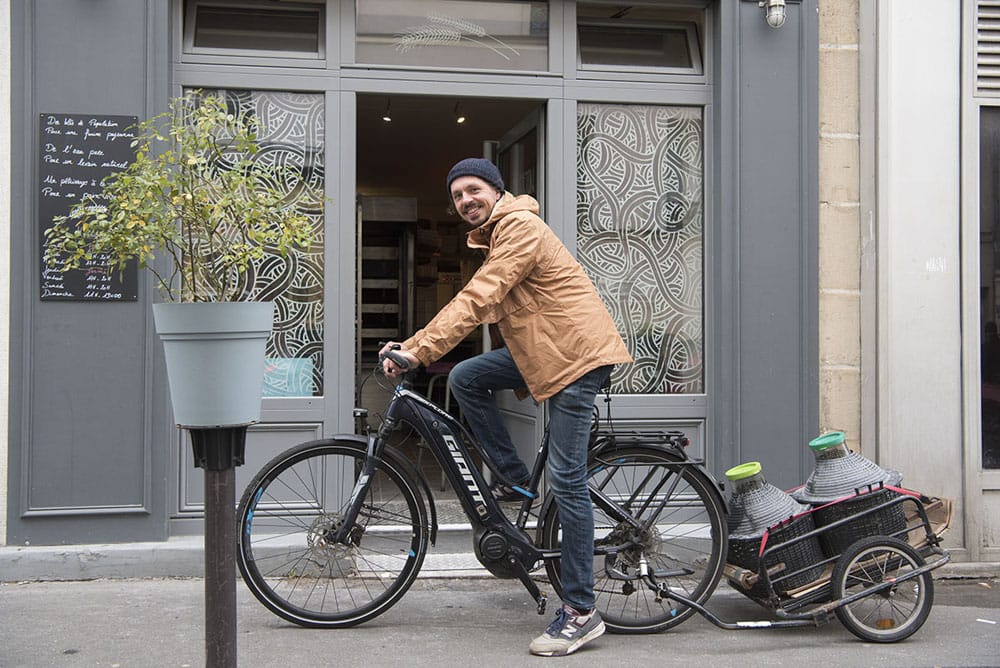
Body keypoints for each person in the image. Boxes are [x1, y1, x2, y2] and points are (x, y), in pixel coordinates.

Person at [380, 157, 632, 657]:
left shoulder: (519, 227)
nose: (465, 201)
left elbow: (478, 298)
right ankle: (514, 479)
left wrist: (418, 350)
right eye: (457, 196)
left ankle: (581, 612)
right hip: (546, 350)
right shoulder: (496, 234)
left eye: (473, 190)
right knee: (468, 376)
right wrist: (416, 344)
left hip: (576, 357)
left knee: (567, 482)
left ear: (496, 191)